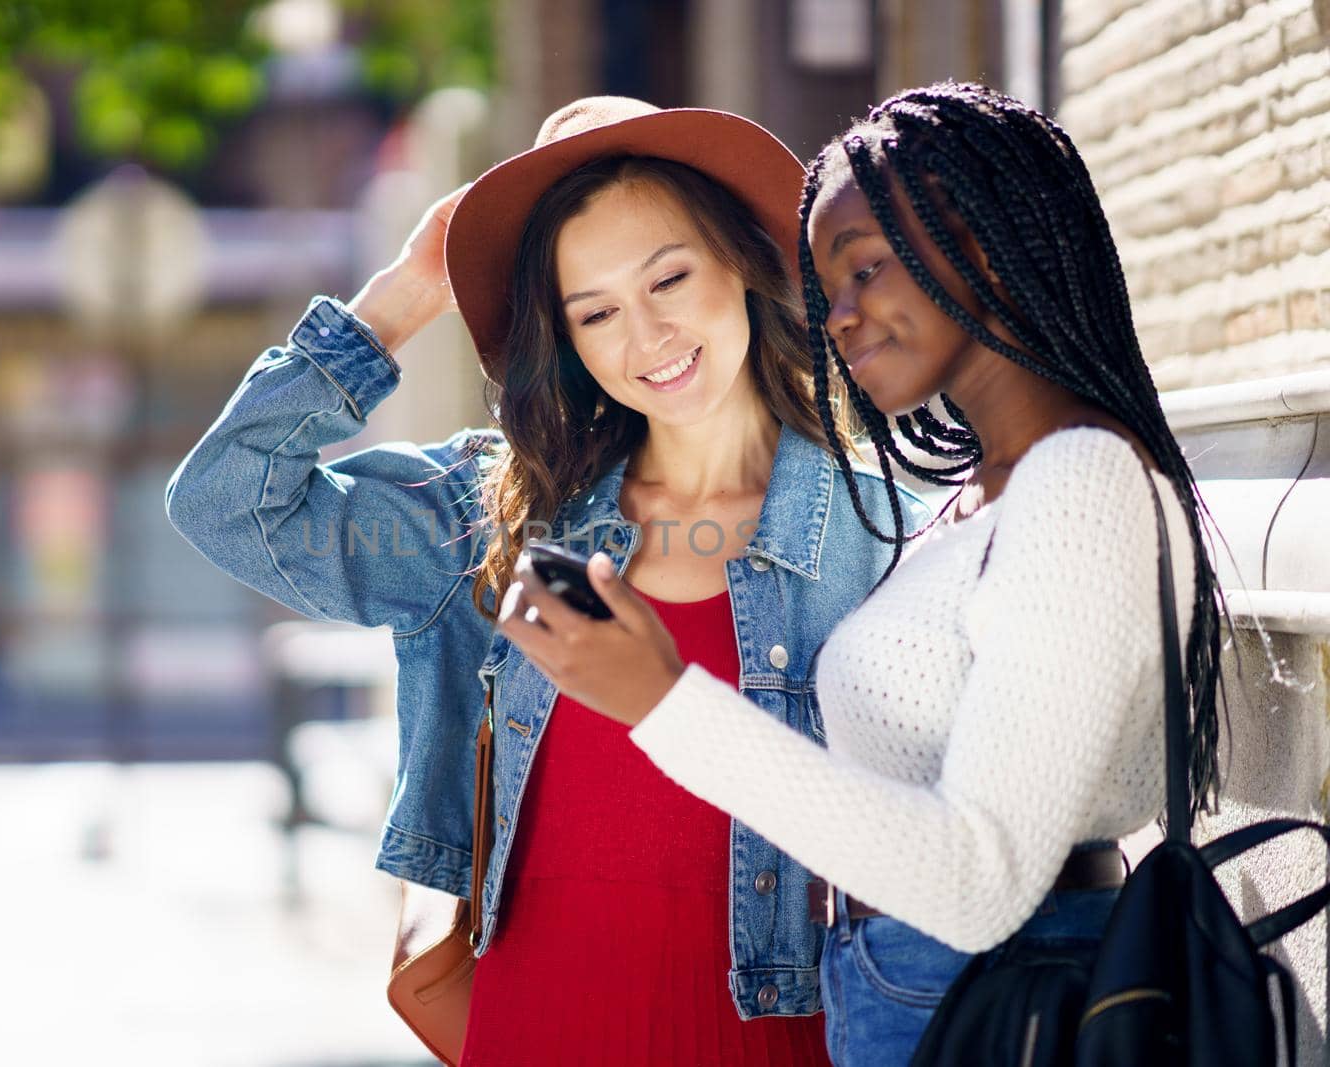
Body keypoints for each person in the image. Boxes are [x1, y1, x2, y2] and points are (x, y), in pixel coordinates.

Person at [167, 96, 922, 1065]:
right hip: (540, 1024)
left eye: (669, 278)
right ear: (564, 342)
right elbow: (227, 500)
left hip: (780, 1038)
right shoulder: (487, 520)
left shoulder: (883, 530)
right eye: (594, 311)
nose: (644, 334)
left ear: (740, 261)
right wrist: (401, 297)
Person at [495, 82, 1223, 1067]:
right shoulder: (981, 494)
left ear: (978, 248)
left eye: (864, 270)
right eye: (826, 285)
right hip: (911, 987)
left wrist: (661, 698)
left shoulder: (1081, 482)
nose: (837, 316)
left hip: (998, 996)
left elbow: (978, 878)